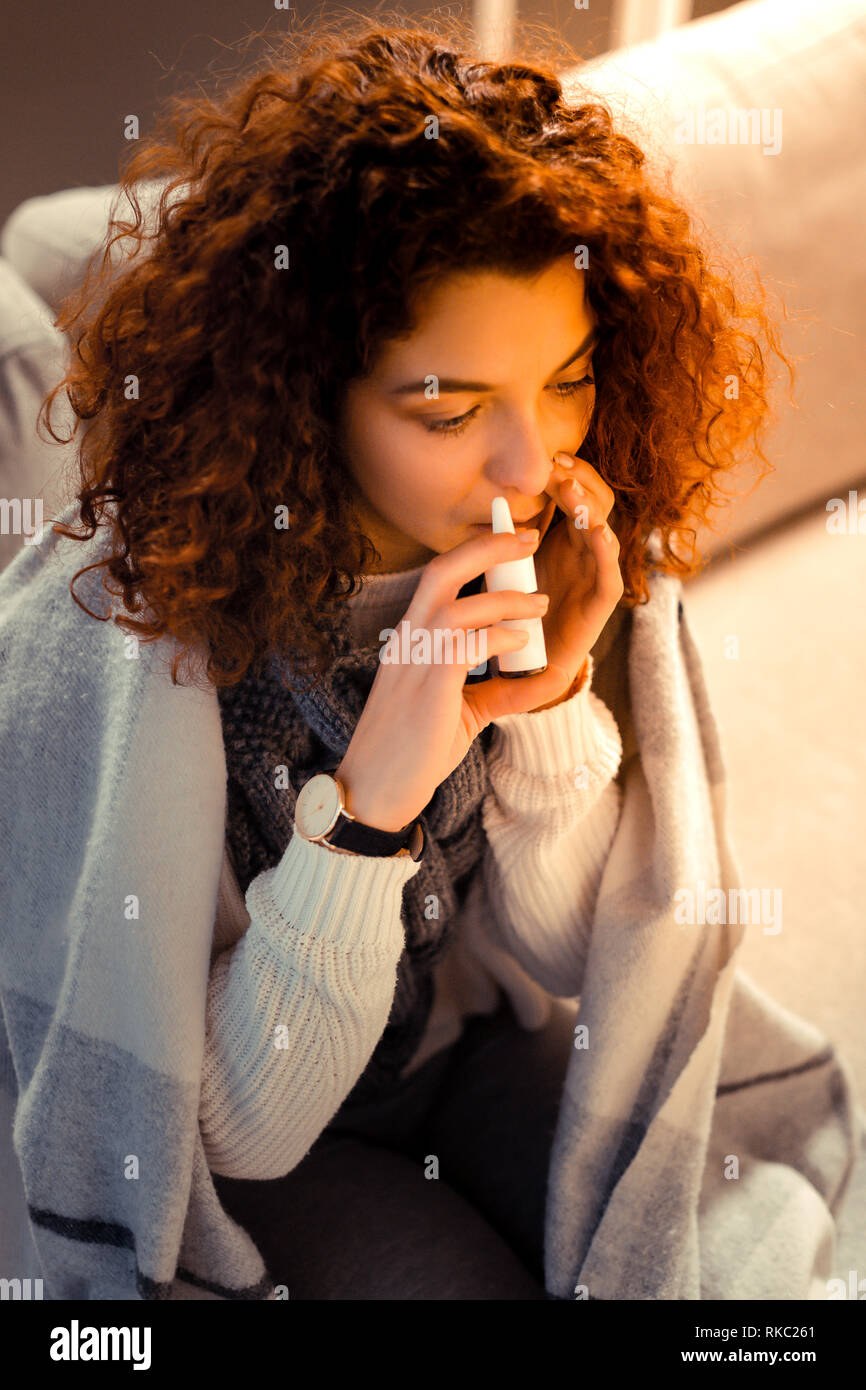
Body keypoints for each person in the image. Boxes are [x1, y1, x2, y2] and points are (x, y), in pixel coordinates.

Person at [19, 16, 792, 1298]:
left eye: (565, 380)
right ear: (301, 382)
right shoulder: (146, 631)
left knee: (694, 1245)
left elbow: (567, 958)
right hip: (265, 1150)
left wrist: (539, 705)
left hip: (453, 1050)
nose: (525, 462)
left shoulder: (563, 537)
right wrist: (369, 809)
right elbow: (231, 1129)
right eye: (443, 407)